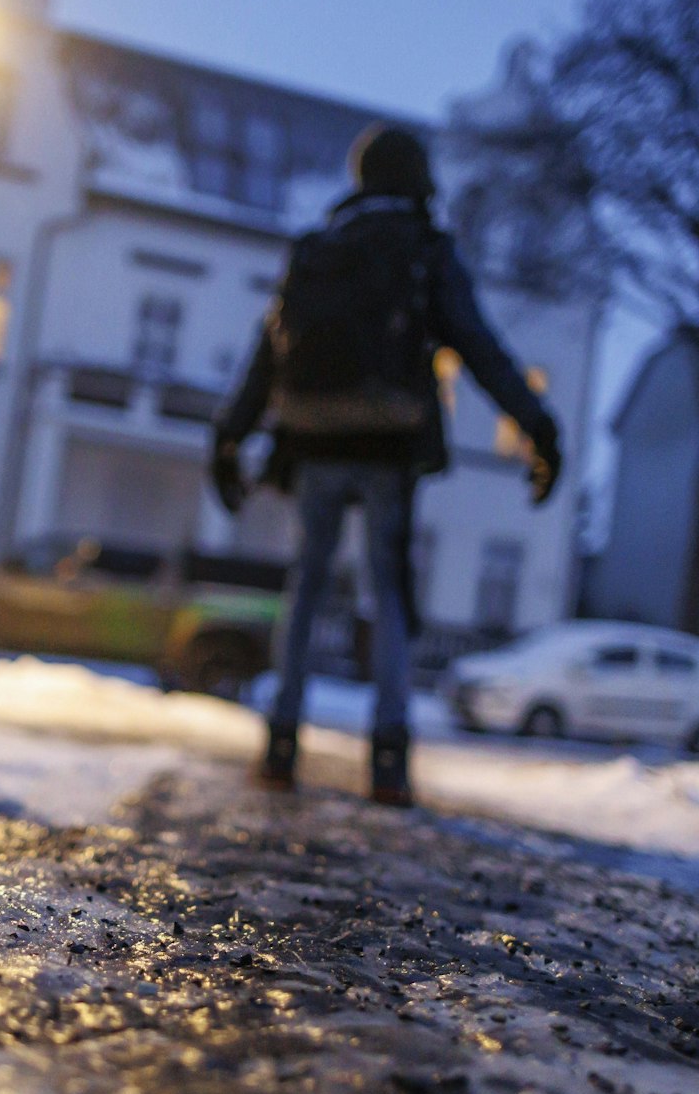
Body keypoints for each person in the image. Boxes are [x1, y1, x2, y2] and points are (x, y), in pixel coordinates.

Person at [210, 123, 562, 807]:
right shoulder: (425, 249)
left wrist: (229, 437)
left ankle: (280, 743)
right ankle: (389, 758)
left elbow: (267, 352)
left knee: (307, 584)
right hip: (390, 443)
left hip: (313, 439)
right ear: (415, 178)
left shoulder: (317, 248)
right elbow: (478, 345)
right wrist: (536, 425)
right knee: (389, 591)